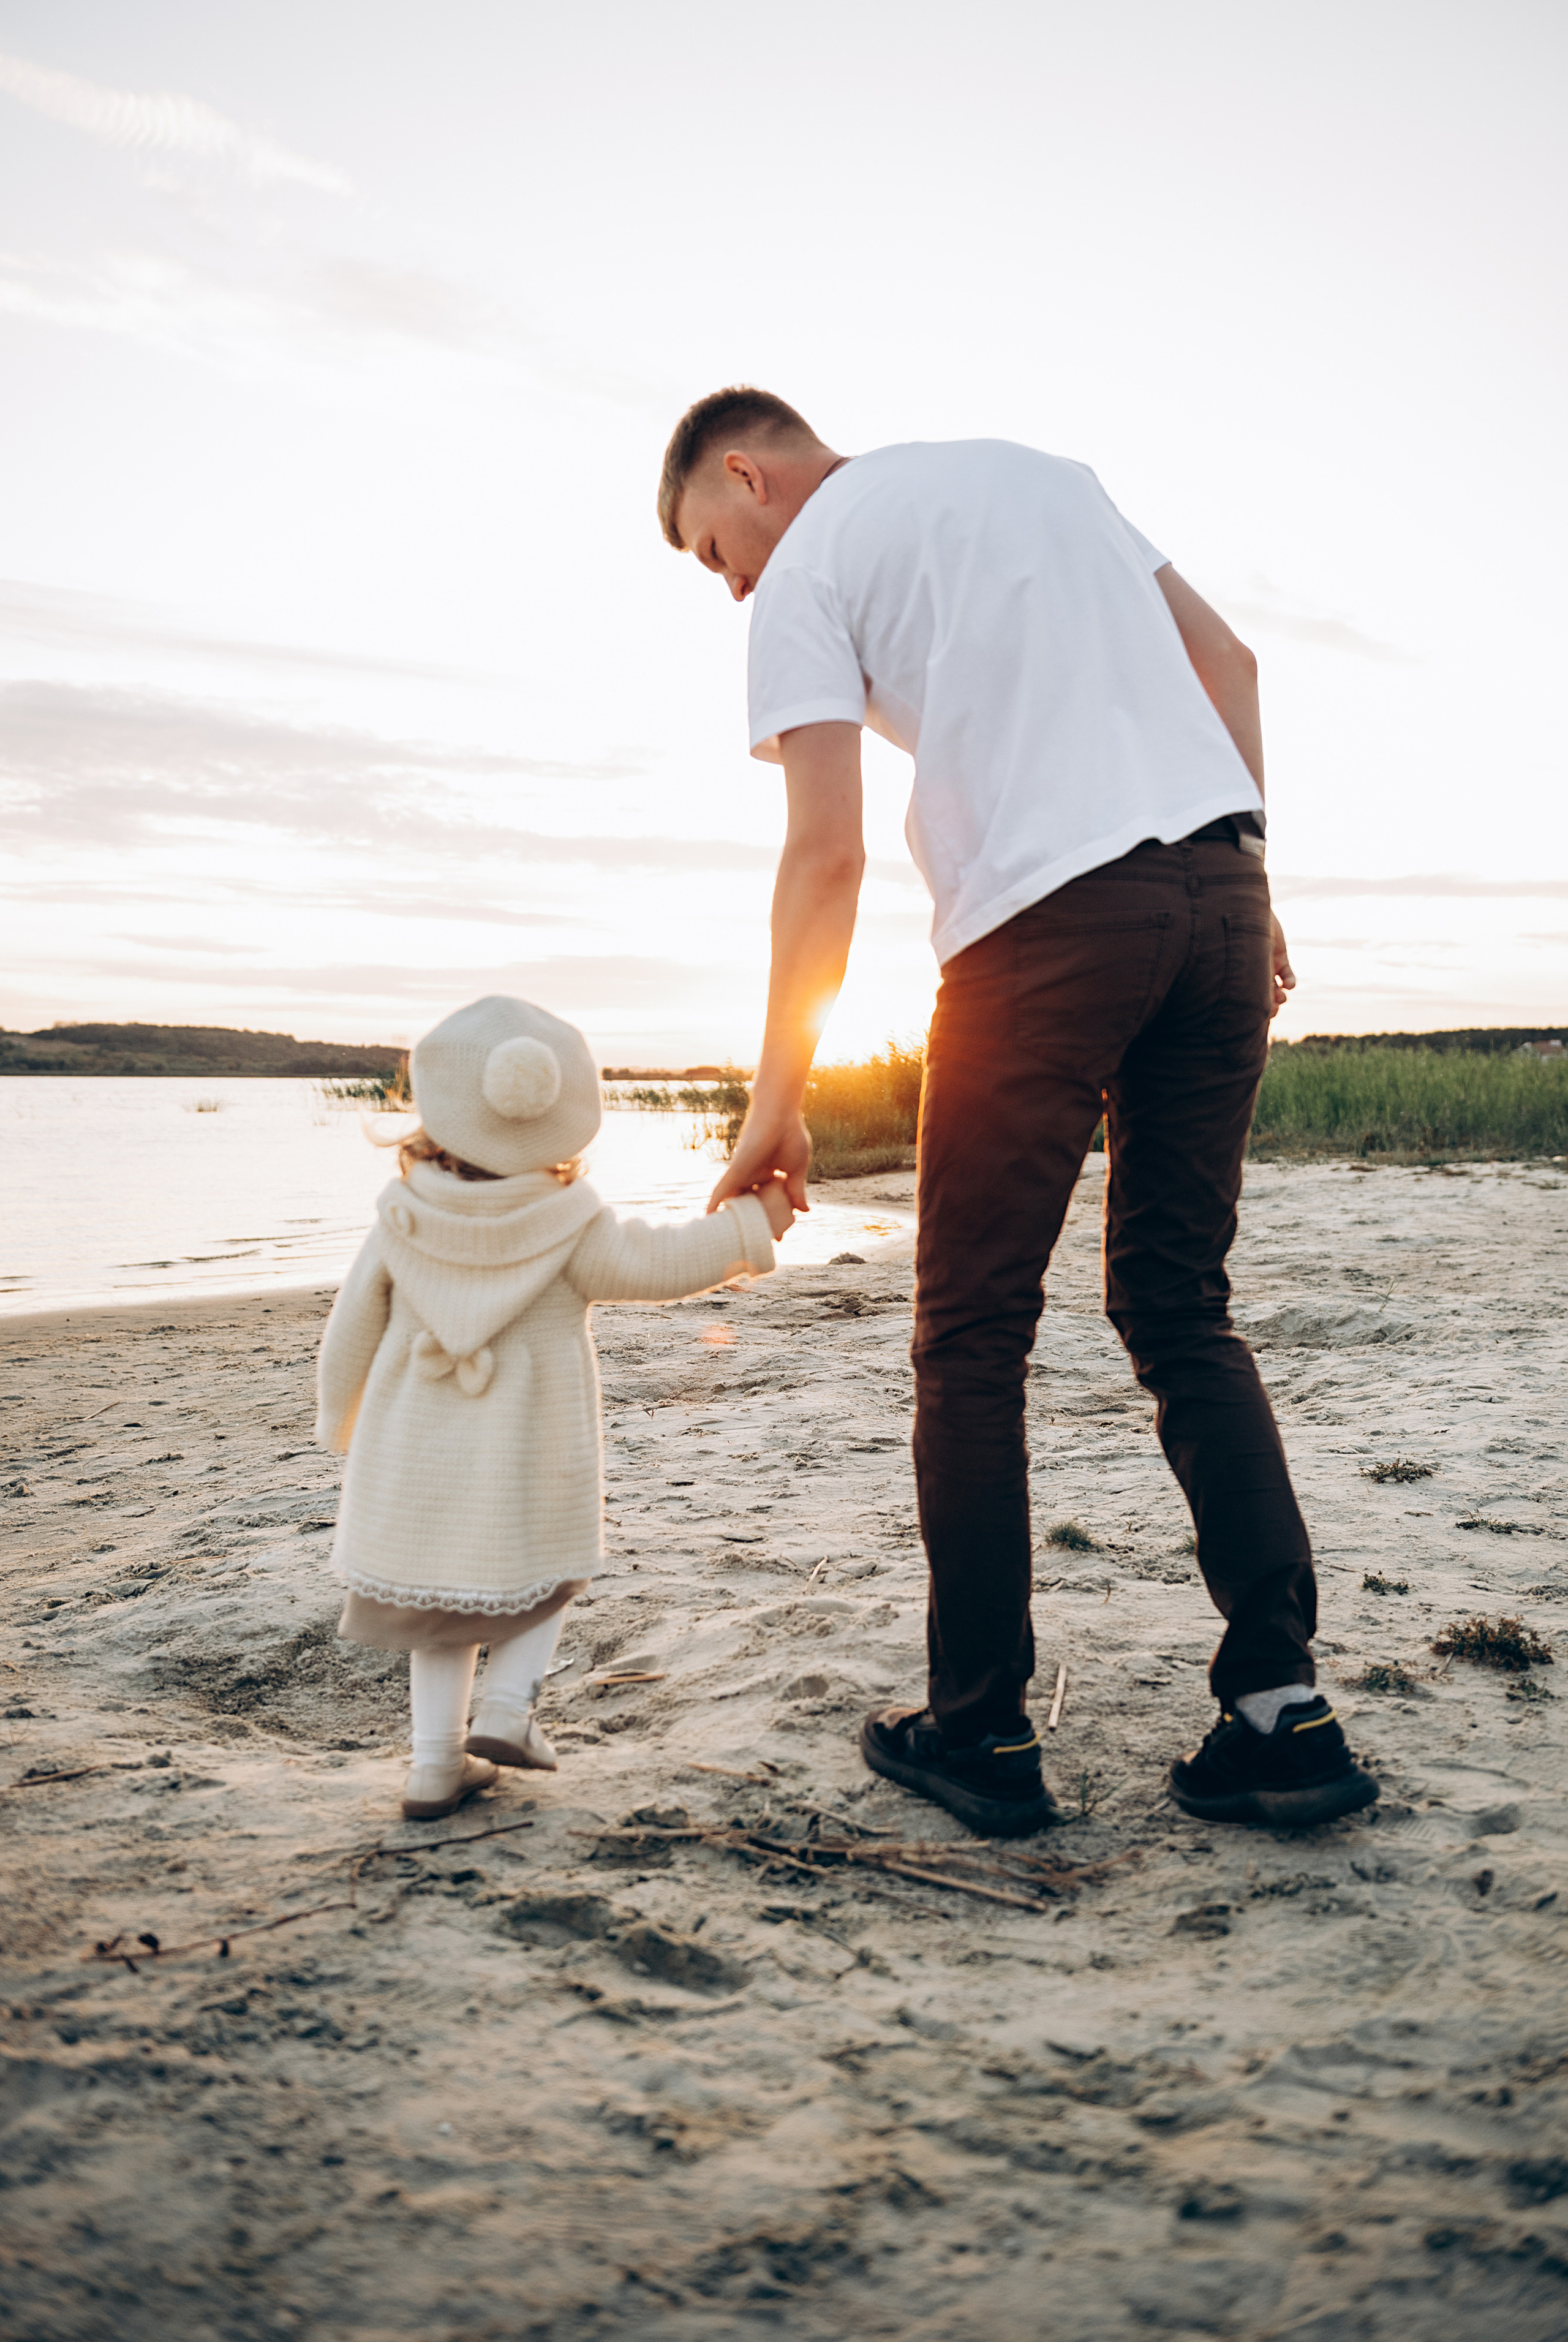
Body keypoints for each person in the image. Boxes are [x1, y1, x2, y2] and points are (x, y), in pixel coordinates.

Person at [658, 387, 1378, 1838]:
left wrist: (772, 1105)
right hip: (1219, 896)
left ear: (748, 472)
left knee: (971, 1330)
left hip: (1045, 931)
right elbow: (1226, 659)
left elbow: (825, 859)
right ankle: (1278, 1715)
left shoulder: (802, 570)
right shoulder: (1042, 474)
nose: (724, 580)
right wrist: (1249, 872)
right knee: (1179, 1305)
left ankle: (980, 1730)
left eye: (706, 546)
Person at [315, 994, 791, 1819]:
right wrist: (758, 1221)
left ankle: (434, 1766)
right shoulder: (572, 1226)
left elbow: (349, 1330)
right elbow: (662, 1263)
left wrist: (340, 1419)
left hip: (418, 1451)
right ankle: (508, 1708)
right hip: (530, 1450)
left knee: (441, 1612)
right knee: (551, 1571)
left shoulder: (401, 1219)